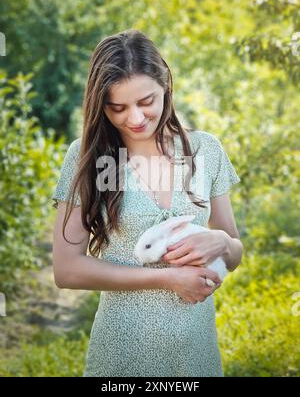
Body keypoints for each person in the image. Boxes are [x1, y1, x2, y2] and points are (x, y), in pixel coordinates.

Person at [52, 29, 243, 377]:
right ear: (100, 105)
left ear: (165, 87)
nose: (135, 119)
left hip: (196, 355)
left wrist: (222, 242)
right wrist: (168, 279)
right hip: (121, 357)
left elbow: (235, 252)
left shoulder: (206, 150)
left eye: (146, 102)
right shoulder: (86, 158)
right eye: (118, 107)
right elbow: (66, 270)